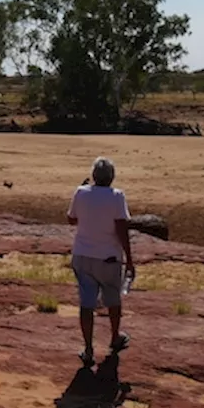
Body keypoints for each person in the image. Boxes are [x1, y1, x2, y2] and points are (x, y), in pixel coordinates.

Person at [66, 156, 135, 366]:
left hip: (83, 255)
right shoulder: (116, 196)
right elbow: (121, 229)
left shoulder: (81, 192)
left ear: (94, 175)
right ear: (112, 177)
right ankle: (114, 337)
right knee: (113, 298)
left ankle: (88, 348)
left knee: (86, 302)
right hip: (108, 257)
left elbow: (72, 219)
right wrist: (129, 258)